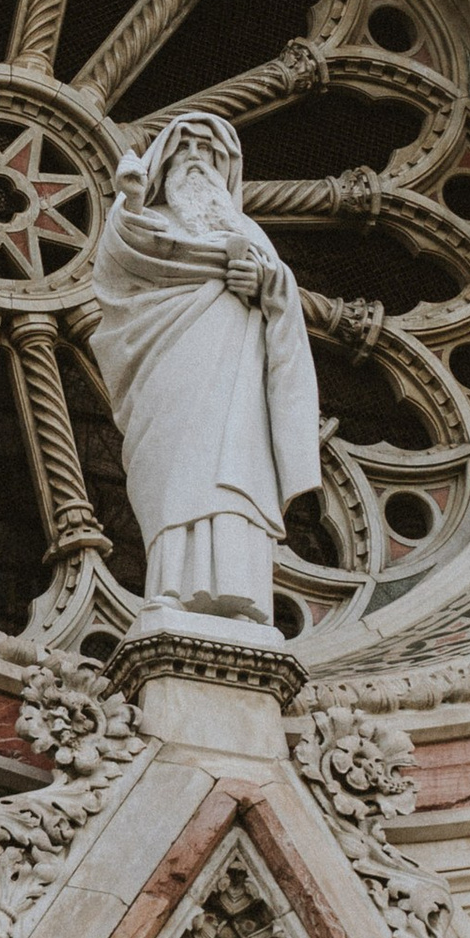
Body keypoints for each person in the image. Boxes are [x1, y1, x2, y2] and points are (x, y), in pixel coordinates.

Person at [86, 111, 319, 626]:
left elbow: (281, 298)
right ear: (163, 160)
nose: (195, 157)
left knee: (235, 470)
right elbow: (117, 261)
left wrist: (266, 282)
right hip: (170, 368)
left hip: (239, 374)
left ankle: (241, 592)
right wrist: (130, 199)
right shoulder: (147, 219)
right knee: (179, 470)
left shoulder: (246, 230)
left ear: (225, 168)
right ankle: (170, 587)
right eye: (185, 147)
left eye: (208, 151)